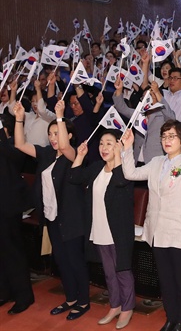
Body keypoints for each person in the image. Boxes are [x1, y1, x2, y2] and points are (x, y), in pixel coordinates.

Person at [121, 121, 181, 331]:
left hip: (178, 228)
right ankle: (171, 317)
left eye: (172, 136)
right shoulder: (156, 162)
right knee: (165, 279)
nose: (167, 140)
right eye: (164, 136)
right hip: (157, 229)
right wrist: (128, 147)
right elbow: (130, 174)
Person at [14, 100, 90, 320]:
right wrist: (19, 118)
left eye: (58, 133)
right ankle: (71, 298)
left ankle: (83, 301)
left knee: (75, 260)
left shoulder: (73, 155)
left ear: (68, 135)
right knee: (62, 261)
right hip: (52, 217)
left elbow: (66, 147)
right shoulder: (47, 154)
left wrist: (59, 116)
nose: (54, 138)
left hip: (72, 218)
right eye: (51, 134)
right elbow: (20, 144)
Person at [69, 130, 135, 329]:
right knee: (108, 272)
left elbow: (121, 181)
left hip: (118, 231)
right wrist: (80, 155)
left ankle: (127, 307)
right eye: (101, 144)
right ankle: (114, 305)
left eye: (109, 143)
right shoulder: (97, 168)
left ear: (118, 145)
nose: (103, 148)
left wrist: (121, 155)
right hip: (98, 229)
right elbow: (74, 177)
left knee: (122, 270)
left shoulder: (126, 170)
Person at [0, 114, 35, 315]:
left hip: (9, 207)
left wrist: (2, 136)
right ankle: (4, 291)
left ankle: (24, 296)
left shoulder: (14, 146)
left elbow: (14, 158)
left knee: (13, 252)